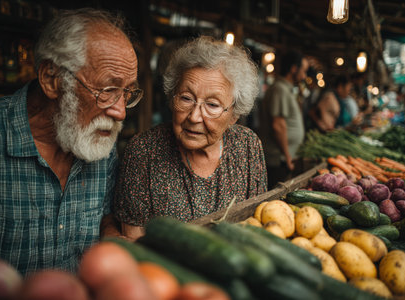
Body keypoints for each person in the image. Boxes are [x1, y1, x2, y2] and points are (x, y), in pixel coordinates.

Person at [0, 8, 142, 275]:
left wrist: (110, 234)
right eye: (107, 90)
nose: (121, 111)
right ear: (51, 80)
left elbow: (104, 215)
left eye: (127, 93)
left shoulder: (99, 144)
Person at [113, 36, 267, 240]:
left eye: (212, 105)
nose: (194, 117)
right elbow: (135, 243)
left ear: (234, 115)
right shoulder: (143, 152)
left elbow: (257, 225)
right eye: (186, 98)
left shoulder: (248, 146)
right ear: (172, 97)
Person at [258, 50, 309, 189]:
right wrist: (287, 157)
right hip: (277, 158)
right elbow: (278, 125)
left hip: (283, 158)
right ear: (294, 69)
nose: (304, 75)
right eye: (303, 71)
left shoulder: (286, 89)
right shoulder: (279, 89)